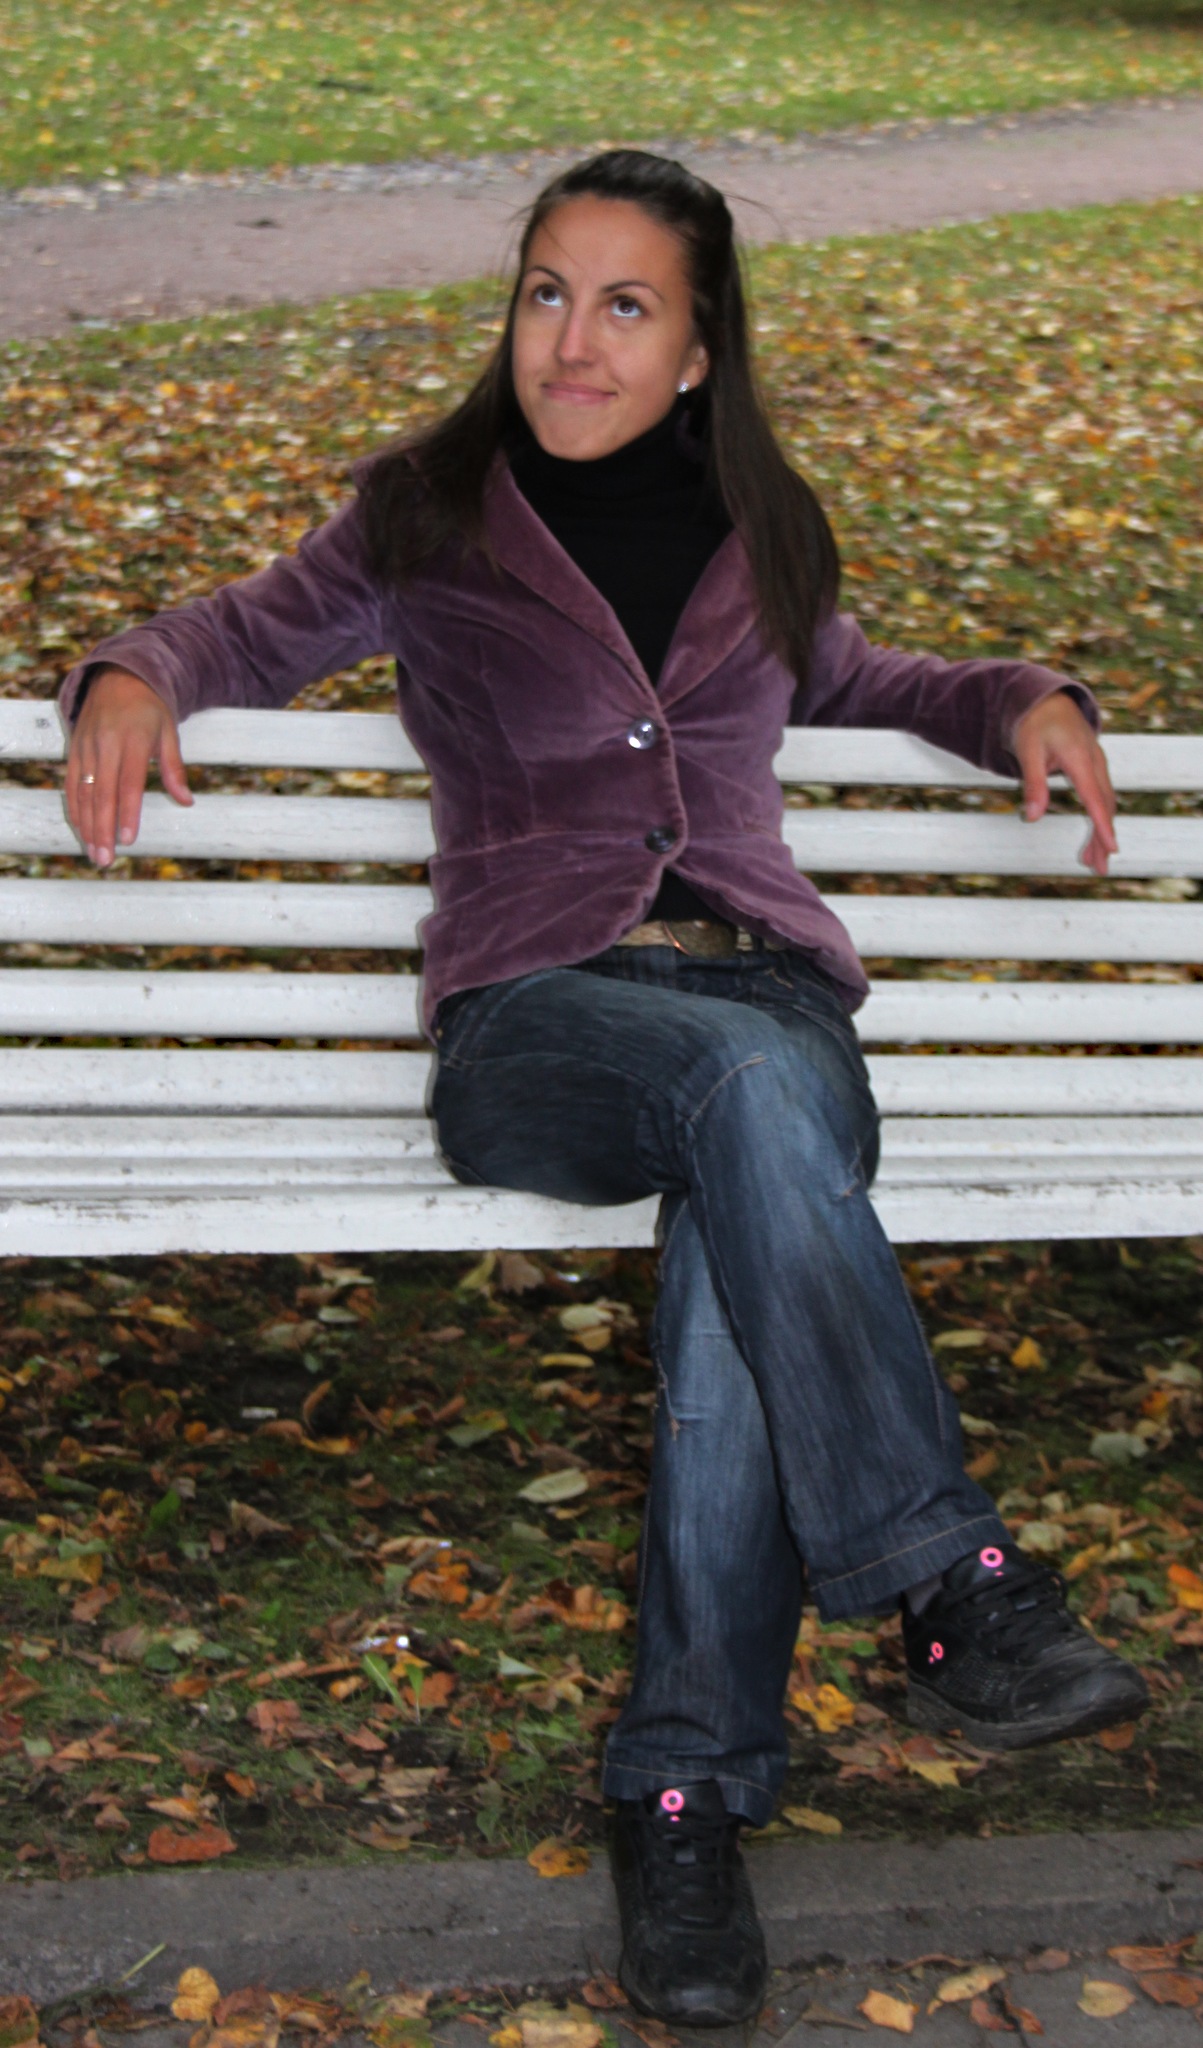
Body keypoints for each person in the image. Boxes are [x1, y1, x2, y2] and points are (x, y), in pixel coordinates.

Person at [62, 149, 1146, 2028]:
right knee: (750, 1096)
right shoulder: (427, 514)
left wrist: (1017, 694)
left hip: (767, 1009)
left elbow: (863, 677)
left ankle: (681, 1806)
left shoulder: (760, 527)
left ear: (699, 350)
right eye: (546, 293)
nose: (572, 341)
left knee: (749, 1201)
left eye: (625, 306)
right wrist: (132, 671)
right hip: (541, 1014)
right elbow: (243, 630)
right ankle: (948, 1580)